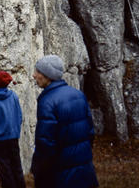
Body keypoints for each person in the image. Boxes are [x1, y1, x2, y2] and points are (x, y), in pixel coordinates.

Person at [31, 54, 99, 188]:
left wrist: (37, 169)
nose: (34, 75)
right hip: (84, 169)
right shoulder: (78, 95)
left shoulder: (47, 101)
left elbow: (45, 143)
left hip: (61, 174)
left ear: (47, 75)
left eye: (37, 71)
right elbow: (90, 132)